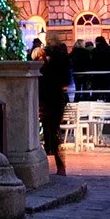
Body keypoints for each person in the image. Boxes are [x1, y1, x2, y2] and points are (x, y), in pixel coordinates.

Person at [38, 41, 73, 176]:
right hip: (57, 99)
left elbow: (44, 82)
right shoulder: (61, 65)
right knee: (53, 130)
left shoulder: (48, 67)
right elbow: (65, 83)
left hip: (49, 100)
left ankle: (56, 163)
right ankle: (58, 163)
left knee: (51, 130)